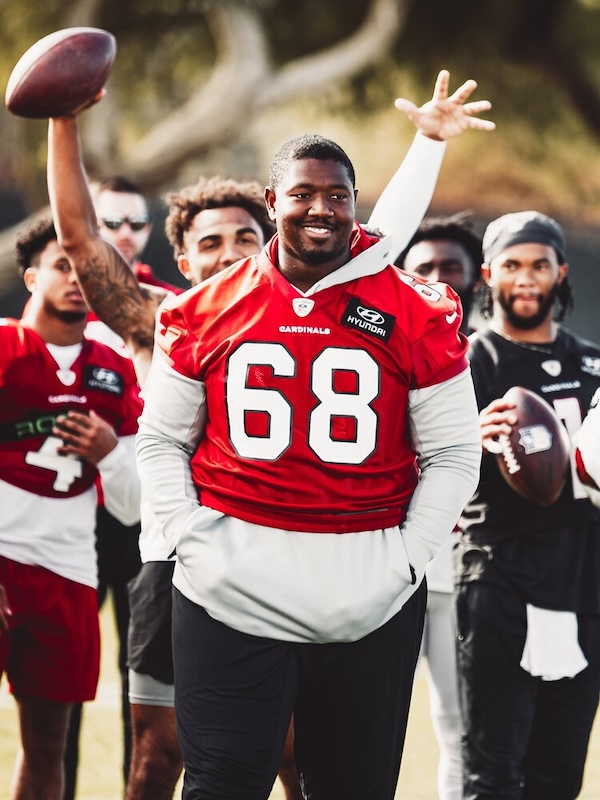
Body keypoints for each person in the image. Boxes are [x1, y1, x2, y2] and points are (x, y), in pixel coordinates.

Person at [47, 69, 493, 800]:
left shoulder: (413, 307)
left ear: (356, 207)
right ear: (271, 201)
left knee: (351, 787)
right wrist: (192, 535)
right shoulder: (200, 309)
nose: (320, 211)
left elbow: (452, 451)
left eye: (337, 197)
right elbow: (160, 441)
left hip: (368, 588)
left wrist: (408, 557)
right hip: (230, 584)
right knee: (221, 781)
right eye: (302, 196)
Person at [455, 210, 600, 799]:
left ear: (560, 272)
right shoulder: (469, 362)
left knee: (560, 775)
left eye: (539, 265)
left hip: (583, 579)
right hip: (500, 579)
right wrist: (469, 437)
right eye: (511, 265)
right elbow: (426, 465)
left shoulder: (593, 363)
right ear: (489, 275)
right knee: (492, 769)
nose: (526, 278)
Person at [0, 217, 142, 800]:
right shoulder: (5, 345)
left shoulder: (116, 372)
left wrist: (109, 455)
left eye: (87, 268)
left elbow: (133, 510)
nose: (77, 279)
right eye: (63, 265)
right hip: (3, 557)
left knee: (48, 747)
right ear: (32, 276)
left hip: (68, 571)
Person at [63, 174, 181, 800]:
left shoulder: (166, 307)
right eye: (113, 224)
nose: (127, 235)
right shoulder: (59, 303)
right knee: (63, 678)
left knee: (139, 679)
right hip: (70, 508)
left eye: (137, 223)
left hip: (141, 507)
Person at [395, 213, 482, 800]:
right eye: (423, 267)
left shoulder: (496, 354)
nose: (439, 278)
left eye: (452, 266)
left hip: (464, 564)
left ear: (478, 275)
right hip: (389, 559)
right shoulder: (383, 343)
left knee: (460, 729)